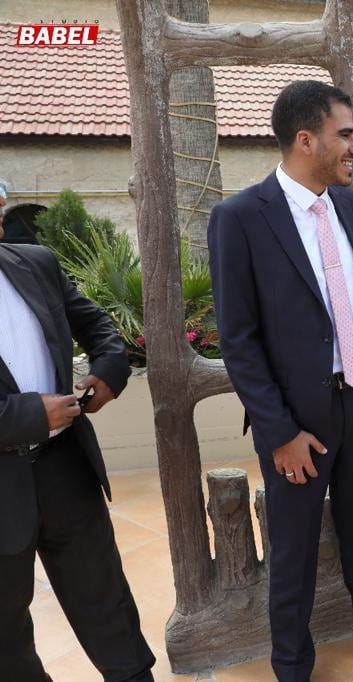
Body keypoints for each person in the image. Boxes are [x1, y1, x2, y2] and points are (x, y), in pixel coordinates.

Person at [208, 80, 353, 680]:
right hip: (295, 423)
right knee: (294, 548)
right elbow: (238, 341)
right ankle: (291, 665)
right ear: (306, 140)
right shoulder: (240, 219)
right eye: (346, 135)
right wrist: (280, 434)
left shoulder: (349, 207)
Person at [0, 182, 156, 680]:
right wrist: (29, 415)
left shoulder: (36, 263)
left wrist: (109, 368)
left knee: (108, 605)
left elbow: (97, 325)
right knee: (5, 637)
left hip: (65, 468)